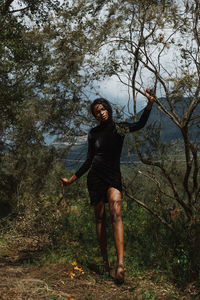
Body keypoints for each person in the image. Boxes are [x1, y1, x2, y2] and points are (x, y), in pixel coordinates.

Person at [60, 89, 154, 283]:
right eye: (97, 111)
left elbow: (140, 124)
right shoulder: (93, 134)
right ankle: (106, 264)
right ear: (95, 115)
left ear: (108, 109)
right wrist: (71, 180)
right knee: (100, 220)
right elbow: (88, 160)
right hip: (95, 178)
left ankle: (120, 264)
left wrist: (149, 105)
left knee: (116, 215)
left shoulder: (118, 128)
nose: (101, 112)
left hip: (113, 177)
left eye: (102, 109)